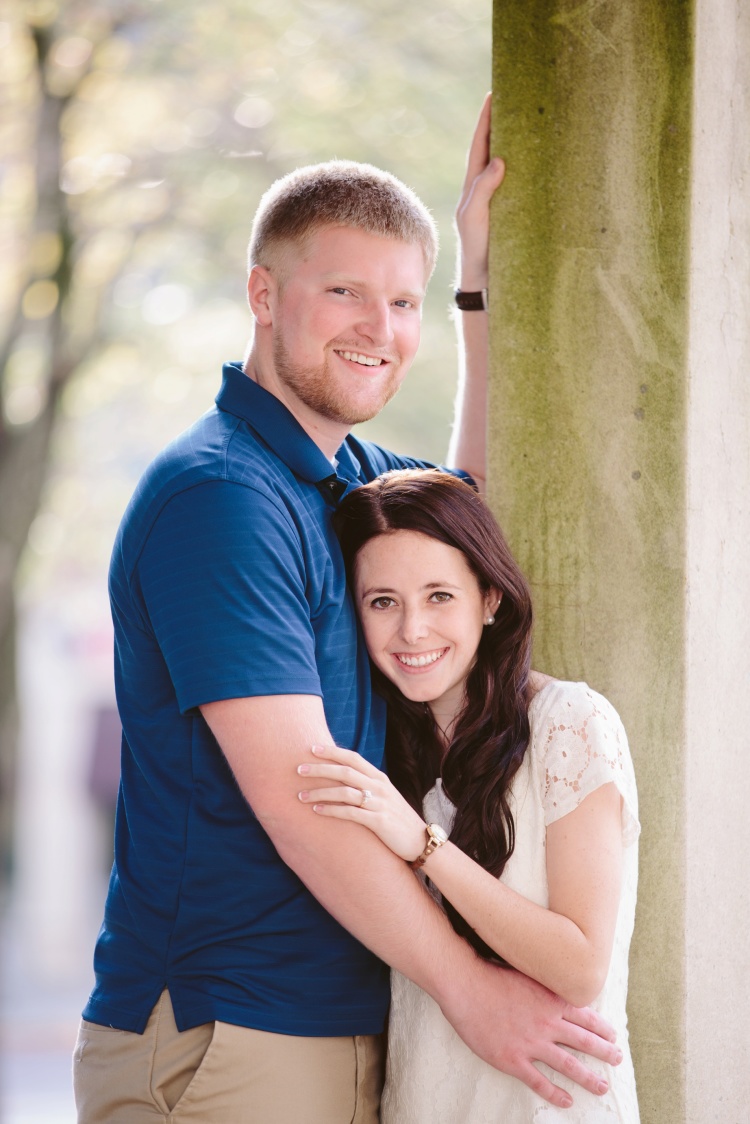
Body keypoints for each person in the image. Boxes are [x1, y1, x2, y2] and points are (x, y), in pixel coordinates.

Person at [73, 99, 623, 1124]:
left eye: (402, 303)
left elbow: (475, 507)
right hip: (229, 1031)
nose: (380, 329)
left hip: (344, 1017)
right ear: (263, 293)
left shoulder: (337, 475)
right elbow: (304, 804)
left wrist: (472, 283)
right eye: (344, 293)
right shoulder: (222, 499)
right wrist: (472, 990)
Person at [297, 468, 640, 1122]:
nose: (413, 632)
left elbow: (579, 967)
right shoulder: (382, 747)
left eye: (438, 596)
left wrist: (422, 845)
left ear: (489, 598)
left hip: (552, 1105)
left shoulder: (569, 722)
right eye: (383, 602)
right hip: (425, 1102)